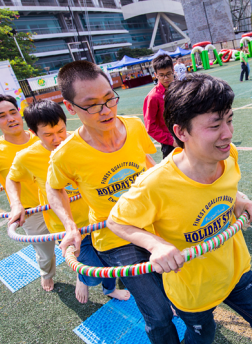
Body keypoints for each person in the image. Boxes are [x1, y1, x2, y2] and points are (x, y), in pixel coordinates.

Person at [107, 73, 252, 344]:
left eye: (229, 120)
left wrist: (237, 199)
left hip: (235, 270)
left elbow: (224, 189)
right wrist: (155, 245)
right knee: (201, 338)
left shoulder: (228, 157)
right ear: (181, 132)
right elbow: (116, 222)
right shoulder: (155, 184)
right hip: (192, 289)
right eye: (214, 125)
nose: (227, 134)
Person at [46, 61, 177, 343]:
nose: (105, 110)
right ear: (70, 108)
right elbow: (53, 188)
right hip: (114, 237)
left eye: (109, 99)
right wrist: (70, 225)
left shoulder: (133, 126)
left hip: (155, 223)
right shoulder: (65, 154)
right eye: (92, 104)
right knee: (158, 313)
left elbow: (147, 162)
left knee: (178, 290)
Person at [6, 100, 130, 303]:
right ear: (33, 132)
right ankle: (83, 277)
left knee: (110, 262)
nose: (58, 139)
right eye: (48, 134)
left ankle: (109, 290)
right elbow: (11, 179)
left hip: (97, 218)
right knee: (93, 271)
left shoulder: (80, 143)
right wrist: (16, 204)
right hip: (66, 226)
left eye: (61, 130)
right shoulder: (26, 157)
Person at [0, 94, 56, 292]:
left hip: (63, 201)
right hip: (31, 212)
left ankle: (87, 277)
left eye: (13, 112)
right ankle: (47, 274)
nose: (10, 118)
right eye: (2, 115)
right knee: (46, 253)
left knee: (82, 243)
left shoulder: (42, 135)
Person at [144, 55, 177, 159]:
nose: (166, 78)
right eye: (161, 75)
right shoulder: (153, 97)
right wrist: (171, 141)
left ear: (173, 71)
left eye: (168, 74)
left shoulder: (180, 88)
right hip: (170, 144)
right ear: (155, 75)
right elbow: (150, 127)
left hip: (186, 136)